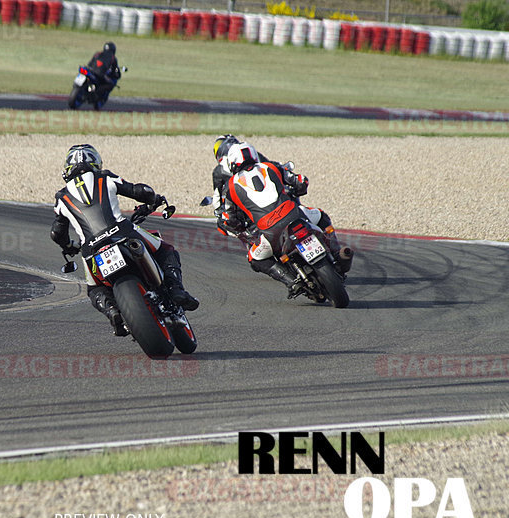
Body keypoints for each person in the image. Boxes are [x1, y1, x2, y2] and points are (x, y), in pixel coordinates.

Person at [51, 144, 199, 336]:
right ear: (95, 162)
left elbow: (56, 233)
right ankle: (176, 290)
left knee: (94, 289)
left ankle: (112, 311)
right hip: (121, 232)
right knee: (166, 250)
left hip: (91, 249)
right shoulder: (104, 176)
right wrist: (153, 199)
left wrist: (69, 246)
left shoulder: (61, 197)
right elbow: (140, 191)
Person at [216, 141, 353, 294]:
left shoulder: (229, 187)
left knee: (254, 257)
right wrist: (301, 187)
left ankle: (291, 282)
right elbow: (300, 180)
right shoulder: (271, 166)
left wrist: (239, 227)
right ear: (254, 155)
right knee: (321, 216)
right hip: (295, 215)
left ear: (232, 163)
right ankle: (336, 253)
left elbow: (228, 218)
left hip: (269, 230)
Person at [86, 42, 122, 110]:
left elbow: (90, 63)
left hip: (90, 70)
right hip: (100, 74)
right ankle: (96, 92)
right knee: (111, 84)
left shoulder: (97, 54)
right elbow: (114, 70)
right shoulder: (113, 58)